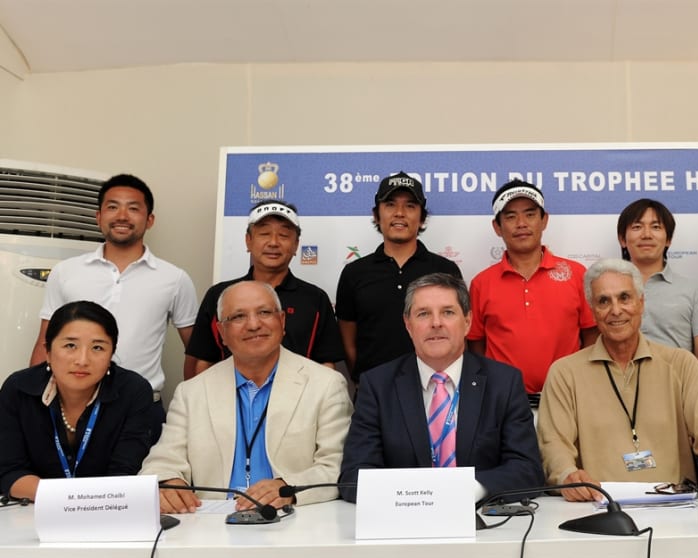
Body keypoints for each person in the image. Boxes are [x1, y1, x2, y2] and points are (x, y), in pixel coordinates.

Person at [538, 259, 698, 502]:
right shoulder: (565, 373)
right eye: (604, 301)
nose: (616, 310)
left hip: (675, 508)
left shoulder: (680, 364)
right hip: (597, 511)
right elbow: (554, 445)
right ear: (592, 310)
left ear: (641, 303)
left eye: (624, 298)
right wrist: (567, 475)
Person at [140, 281, 353, 513]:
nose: (253, 325)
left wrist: (287, 488)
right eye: (238, 316)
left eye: (264, 312)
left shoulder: (325, 384)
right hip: (212, 526)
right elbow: (161, 461)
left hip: (294, 523)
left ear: (282, 322)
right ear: (222, 332)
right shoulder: (192, 392)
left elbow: (337, 466)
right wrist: (168, 482)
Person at [338, 273, 543, 503]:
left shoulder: (504, 382)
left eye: (448, 312)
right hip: (404, 522)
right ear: (408, 325)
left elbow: (527, 470)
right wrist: (418, 496)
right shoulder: (377, 385)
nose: (436, 323)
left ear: (467, 322)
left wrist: (471, 490)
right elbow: (354, 477)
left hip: (483, 523)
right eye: (423, 314)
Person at [29, 173, 198, 433]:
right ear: (99, 217)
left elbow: (196, 351)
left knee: (143, 474)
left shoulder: (174, 278)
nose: (122, 216)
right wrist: (35, 403)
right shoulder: (66, 272)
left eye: (133, 208)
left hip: (141, 407)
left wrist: (195, 409)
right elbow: (45, 341)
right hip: (71, 406)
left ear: (149, 219)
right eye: (112, 207)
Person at [1, 301, 158, 500]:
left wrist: (79, 503)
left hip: (109, 512)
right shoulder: (18, 389)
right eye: (70, 345)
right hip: (34, 511)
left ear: (111, 354)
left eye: (98, 348)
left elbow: (124, 475)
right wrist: (70, 500)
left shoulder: (133, 391)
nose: (82, 360)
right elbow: (10, 472)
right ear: (47, 352)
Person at [184, 200, 345, 378]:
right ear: (248, 241)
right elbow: (202, 360)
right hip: (230, 401)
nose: (273, 242)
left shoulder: (315, 298)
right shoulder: (220, 296)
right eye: (264, 233)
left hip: (300, 402)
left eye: (283, 235)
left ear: (296, 245)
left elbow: (326, 365)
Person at [468, 179, 597, 399]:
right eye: (510, 216)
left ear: (544, 220)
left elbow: (592, 334)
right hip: (504, 402)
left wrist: (579, 380)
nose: (521, 223)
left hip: (567, 398)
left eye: (530, 214)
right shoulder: (481, 283)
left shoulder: (576, 274)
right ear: (497, 227)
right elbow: (476, 344)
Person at [336, 172, 461, 383]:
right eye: (390, 205)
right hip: (373, 393)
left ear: (422, 218)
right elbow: (349, 342)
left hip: (434, 391)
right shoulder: (355, 272)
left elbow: (456, 334)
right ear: (377, 215)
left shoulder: (444, 270)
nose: (400, 213)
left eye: (410, 206)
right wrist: (366, 380)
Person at [617, 198, 698, 387]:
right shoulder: (607, 290)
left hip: (676, 397)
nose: (646, 235)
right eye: (637, 227)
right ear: (623, 239)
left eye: (656, 227)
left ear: (669, 239)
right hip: (617, 397)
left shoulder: (694, 290)